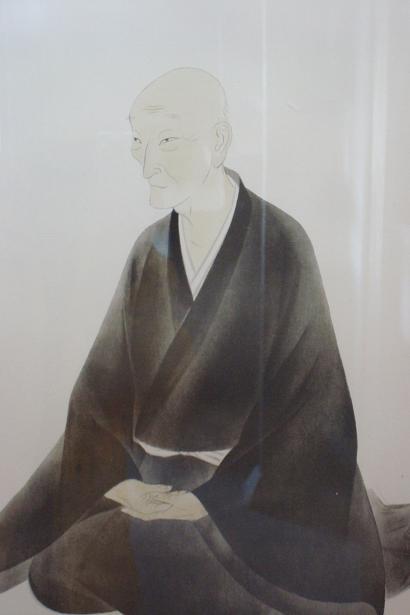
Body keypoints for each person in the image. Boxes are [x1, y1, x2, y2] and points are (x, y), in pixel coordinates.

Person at [0, 67, 398, 614]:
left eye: (167, 140)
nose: (147, 163)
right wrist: (115, 484)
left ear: (219, 140)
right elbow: (99, 402)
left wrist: (211, 502)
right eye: (138, 142)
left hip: (252, 500)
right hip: (155, 484)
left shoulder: (282, 246)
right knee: (55, 570)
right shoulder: (150, 250)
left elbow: (312, 415)